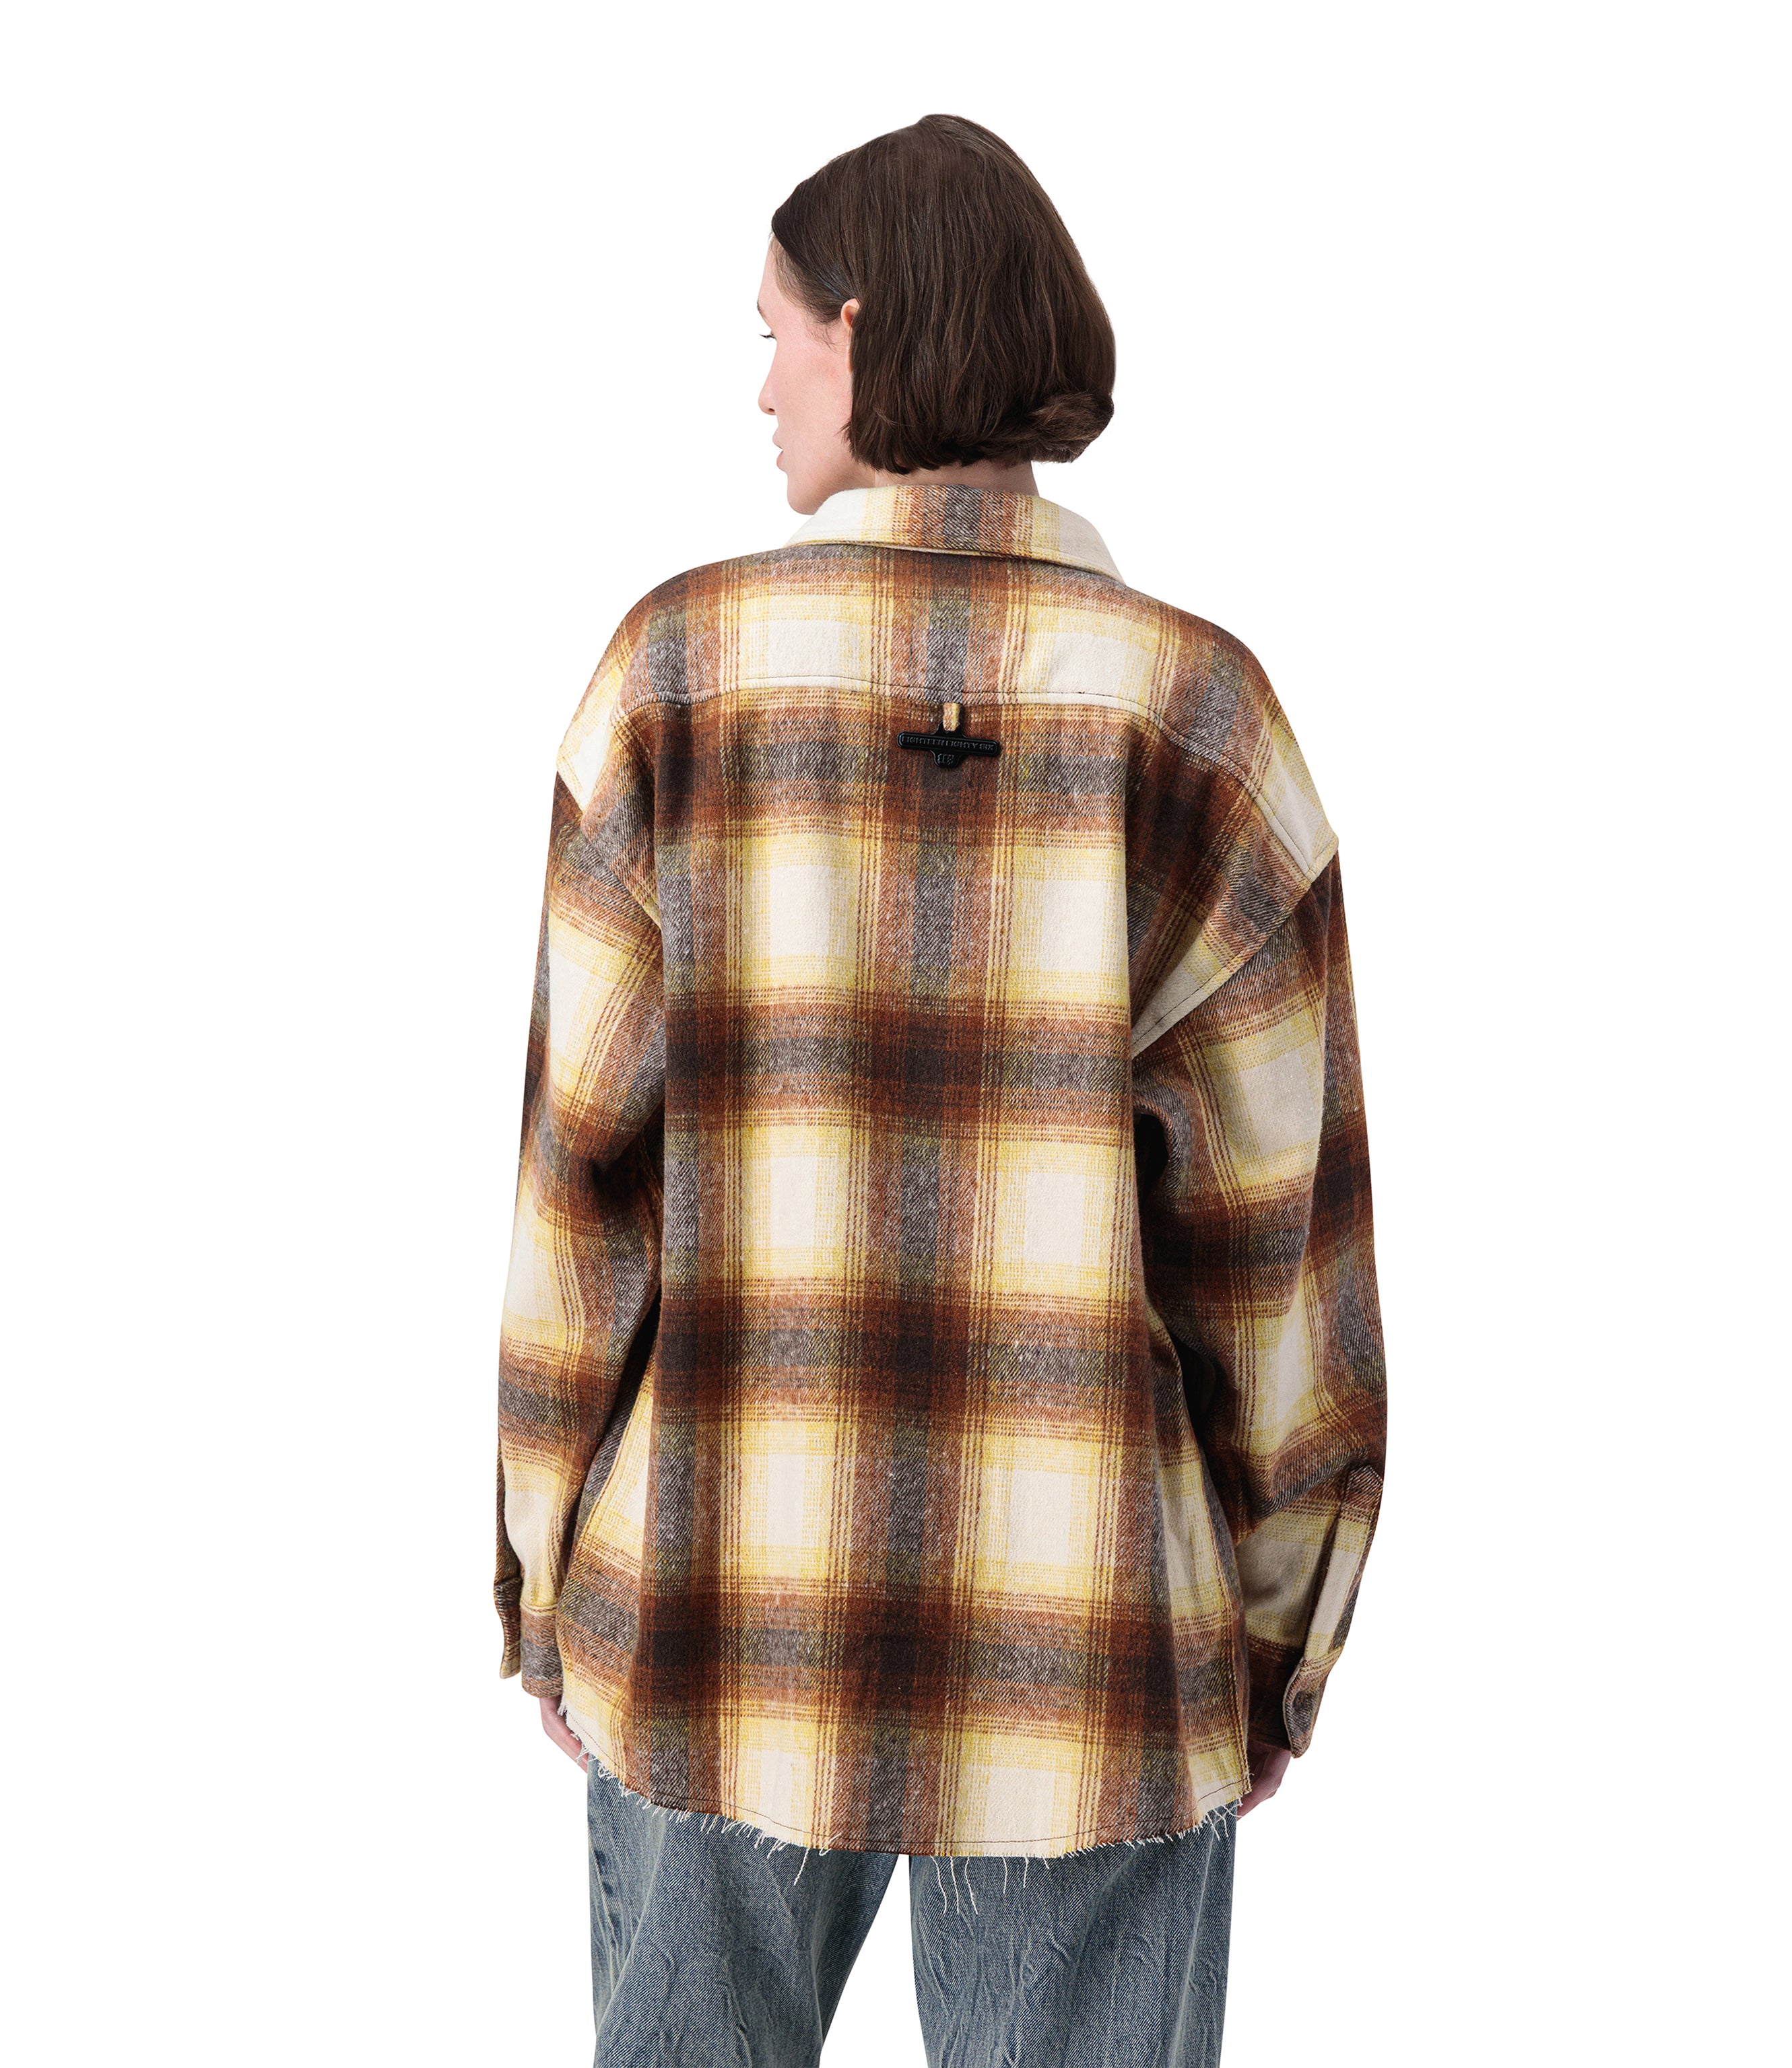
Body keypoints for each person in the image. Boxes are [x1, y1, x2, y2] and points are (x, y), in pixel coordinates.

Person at [494, 112, 1387, 2068]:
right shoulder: (1199, 717)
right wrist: (1275, 1638)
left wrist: (548, 1574)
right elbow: (1278, 1254)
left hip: (715, 1598)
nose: (762, 388)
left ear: (867, 330)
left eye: (776, 335)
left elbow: (583, 1191)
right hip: (1095, 1640)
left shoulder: (672, 681)